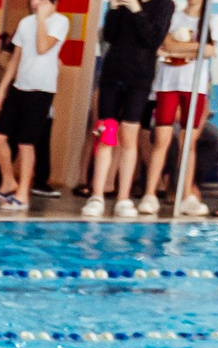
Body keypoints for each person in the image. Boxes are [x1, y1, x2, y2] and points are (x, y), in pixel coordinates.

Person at [82, 0, 173, 217]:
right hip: (112, 76)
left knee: (129, 137)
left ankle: (123, 197)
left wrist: (136, 10)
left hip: (139, 79)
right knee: (106, 134)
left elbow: (152, 39)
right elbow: (110, 37)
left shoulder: (163, 5)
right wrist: (113, 10)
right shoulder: (121, 4)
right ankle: (97, 195)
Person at [139, 0, 214, 213]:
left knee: (188, 142)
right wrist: (193, 49)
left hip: (195, 87)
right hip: (168, 85)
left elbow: (209, 51)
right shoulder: (172, 15)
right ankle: (150, 194)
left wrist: (176, 49)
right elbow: (165, 44)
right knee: (162, 139)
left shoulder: (212, 19)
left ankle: (187, 195)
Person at [0, 0, 66, 208]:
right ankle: (7, 180)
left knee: (26, 143)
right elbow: (15, 57)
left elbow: (42, 47)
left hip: (41, 90)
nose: (34, 3)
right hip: (19, 87)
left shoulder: (60, 22)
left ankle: (22, 193)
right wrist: (3, 88)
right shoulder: (25, 22)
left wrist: (41, 18)